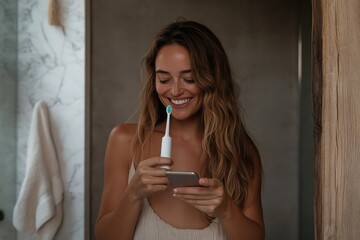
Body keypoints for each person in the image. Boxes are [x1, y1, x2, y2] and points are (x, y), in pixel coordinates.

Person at [95, 20, 264, 240]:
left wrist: (226, 210)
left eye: (189, 78)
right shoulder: (125, 140)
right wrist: (133, 194)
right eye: (164, 79)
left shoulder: (241, 152)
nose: (175, 90)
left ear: (212, 79)